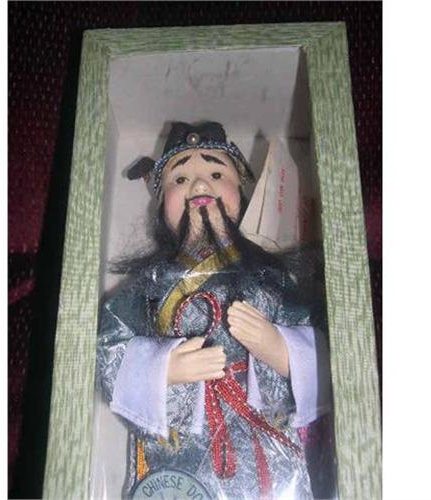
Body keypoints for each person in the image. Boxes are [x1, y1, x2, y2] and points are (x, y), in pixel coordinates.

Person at [97, 122, 332, 499]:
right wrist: (163, 369)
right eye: (180, 179)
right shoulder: (152, 284)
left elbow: (321, 340)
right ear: (161, 202)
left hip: (262, 442)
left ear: (241, 190)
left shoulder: (267, 277)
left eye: (216, 174)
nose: (200, 185)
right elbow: (107, 347)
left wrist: (280, 349)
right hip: (180, 451)